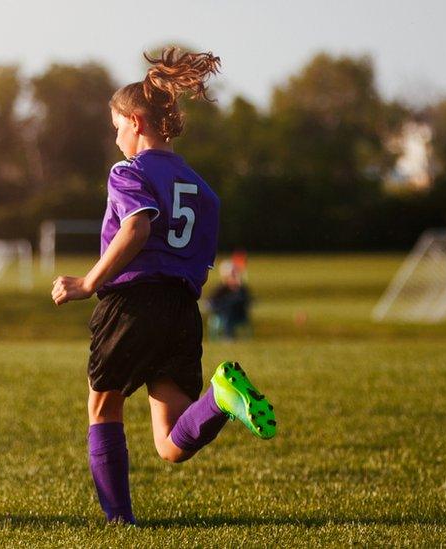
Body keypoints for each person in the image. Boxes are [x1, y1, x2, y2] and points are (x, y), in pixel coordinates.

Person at [50, 47, 277, 525]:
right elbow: (201, 257)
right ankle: (220, 399)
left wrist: (89, 282)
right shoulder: (202, 187)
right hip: (181, 308)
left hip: (133, 303)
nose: (117, 141)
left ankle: (118, 520)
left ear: (136, 121)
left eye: (117, 128)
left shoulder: (129, 171)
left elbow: (136, 229)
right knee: (171, 444)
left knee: (102, 405)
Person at [207, 260, 253, 340]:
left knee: (232, 304)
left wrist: (237, 289)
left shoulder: (241, 289)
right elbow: (212, 302)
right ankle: (228, 335)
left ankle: (228, 335)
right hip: (223, 314)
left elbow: (247, 301)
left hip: (239, 314)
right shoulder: (221, 289)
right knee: (229, 307)